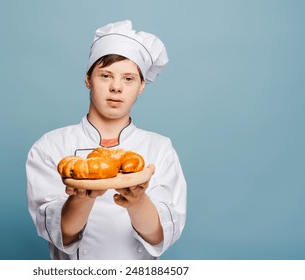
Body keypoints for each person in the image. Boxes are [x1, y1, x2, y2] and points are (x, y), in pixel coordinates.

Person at [26, 20, 187, 260]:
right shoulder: (50, 146)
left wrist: (137, 200)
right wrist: (82, 197)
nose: (116, 88)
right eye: (106, 75)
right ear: (88, 79)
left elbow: (160, 237)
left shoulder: (160, 149)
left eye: (128, 79)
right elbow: (61, 233)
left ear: (141, 85)